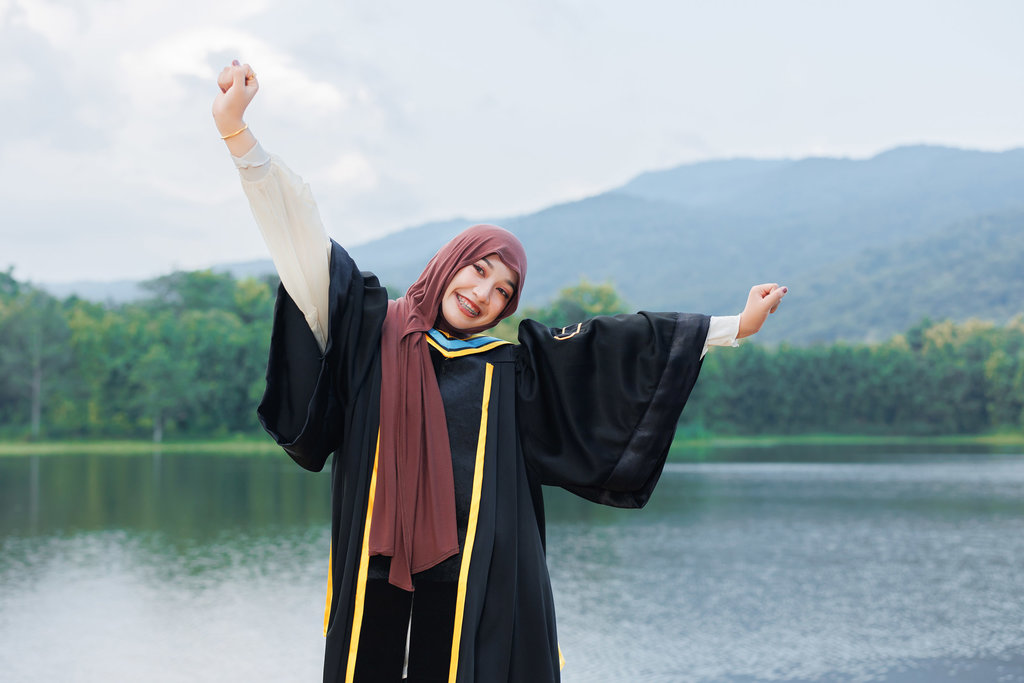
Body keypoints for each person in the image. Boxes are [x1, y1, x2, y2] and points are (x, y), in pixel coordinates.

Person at [213, 60, 786, 683]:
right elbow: (300, 238)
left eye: (503, 289)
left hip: (477, 589)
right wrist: (238, 135)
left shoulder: (511, 372)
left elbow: (616, 350)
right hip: (374, 572)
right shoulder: (366, 332)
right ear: (449, 263)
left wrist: (734, 327)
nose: (484, 291)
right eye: (478, 269)